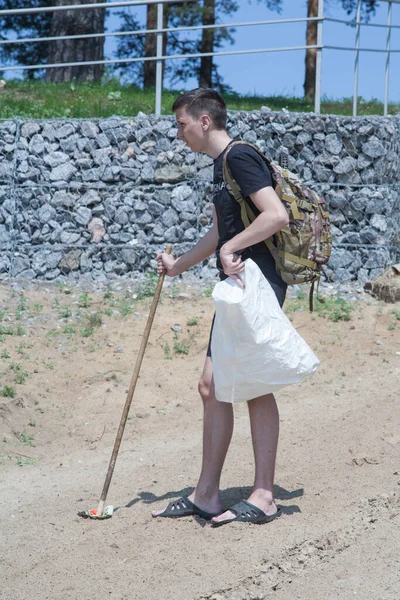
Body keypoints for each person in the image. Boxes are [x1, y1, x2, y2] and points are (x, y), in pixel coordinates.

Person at [152, 88, 289, 526]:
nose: (179, 134)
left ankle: (264, 495)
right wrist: (178, 267)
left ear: (204, 121)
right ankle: (207, 494)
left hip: (258, 285)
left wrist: (232, 246)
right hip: (237, 287)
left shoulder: (239, 157)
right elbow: (218, 233)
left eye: (182, 124)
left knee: (250, 385)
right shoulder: (221, 167)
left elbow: (276, 215)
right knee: (212, 387)